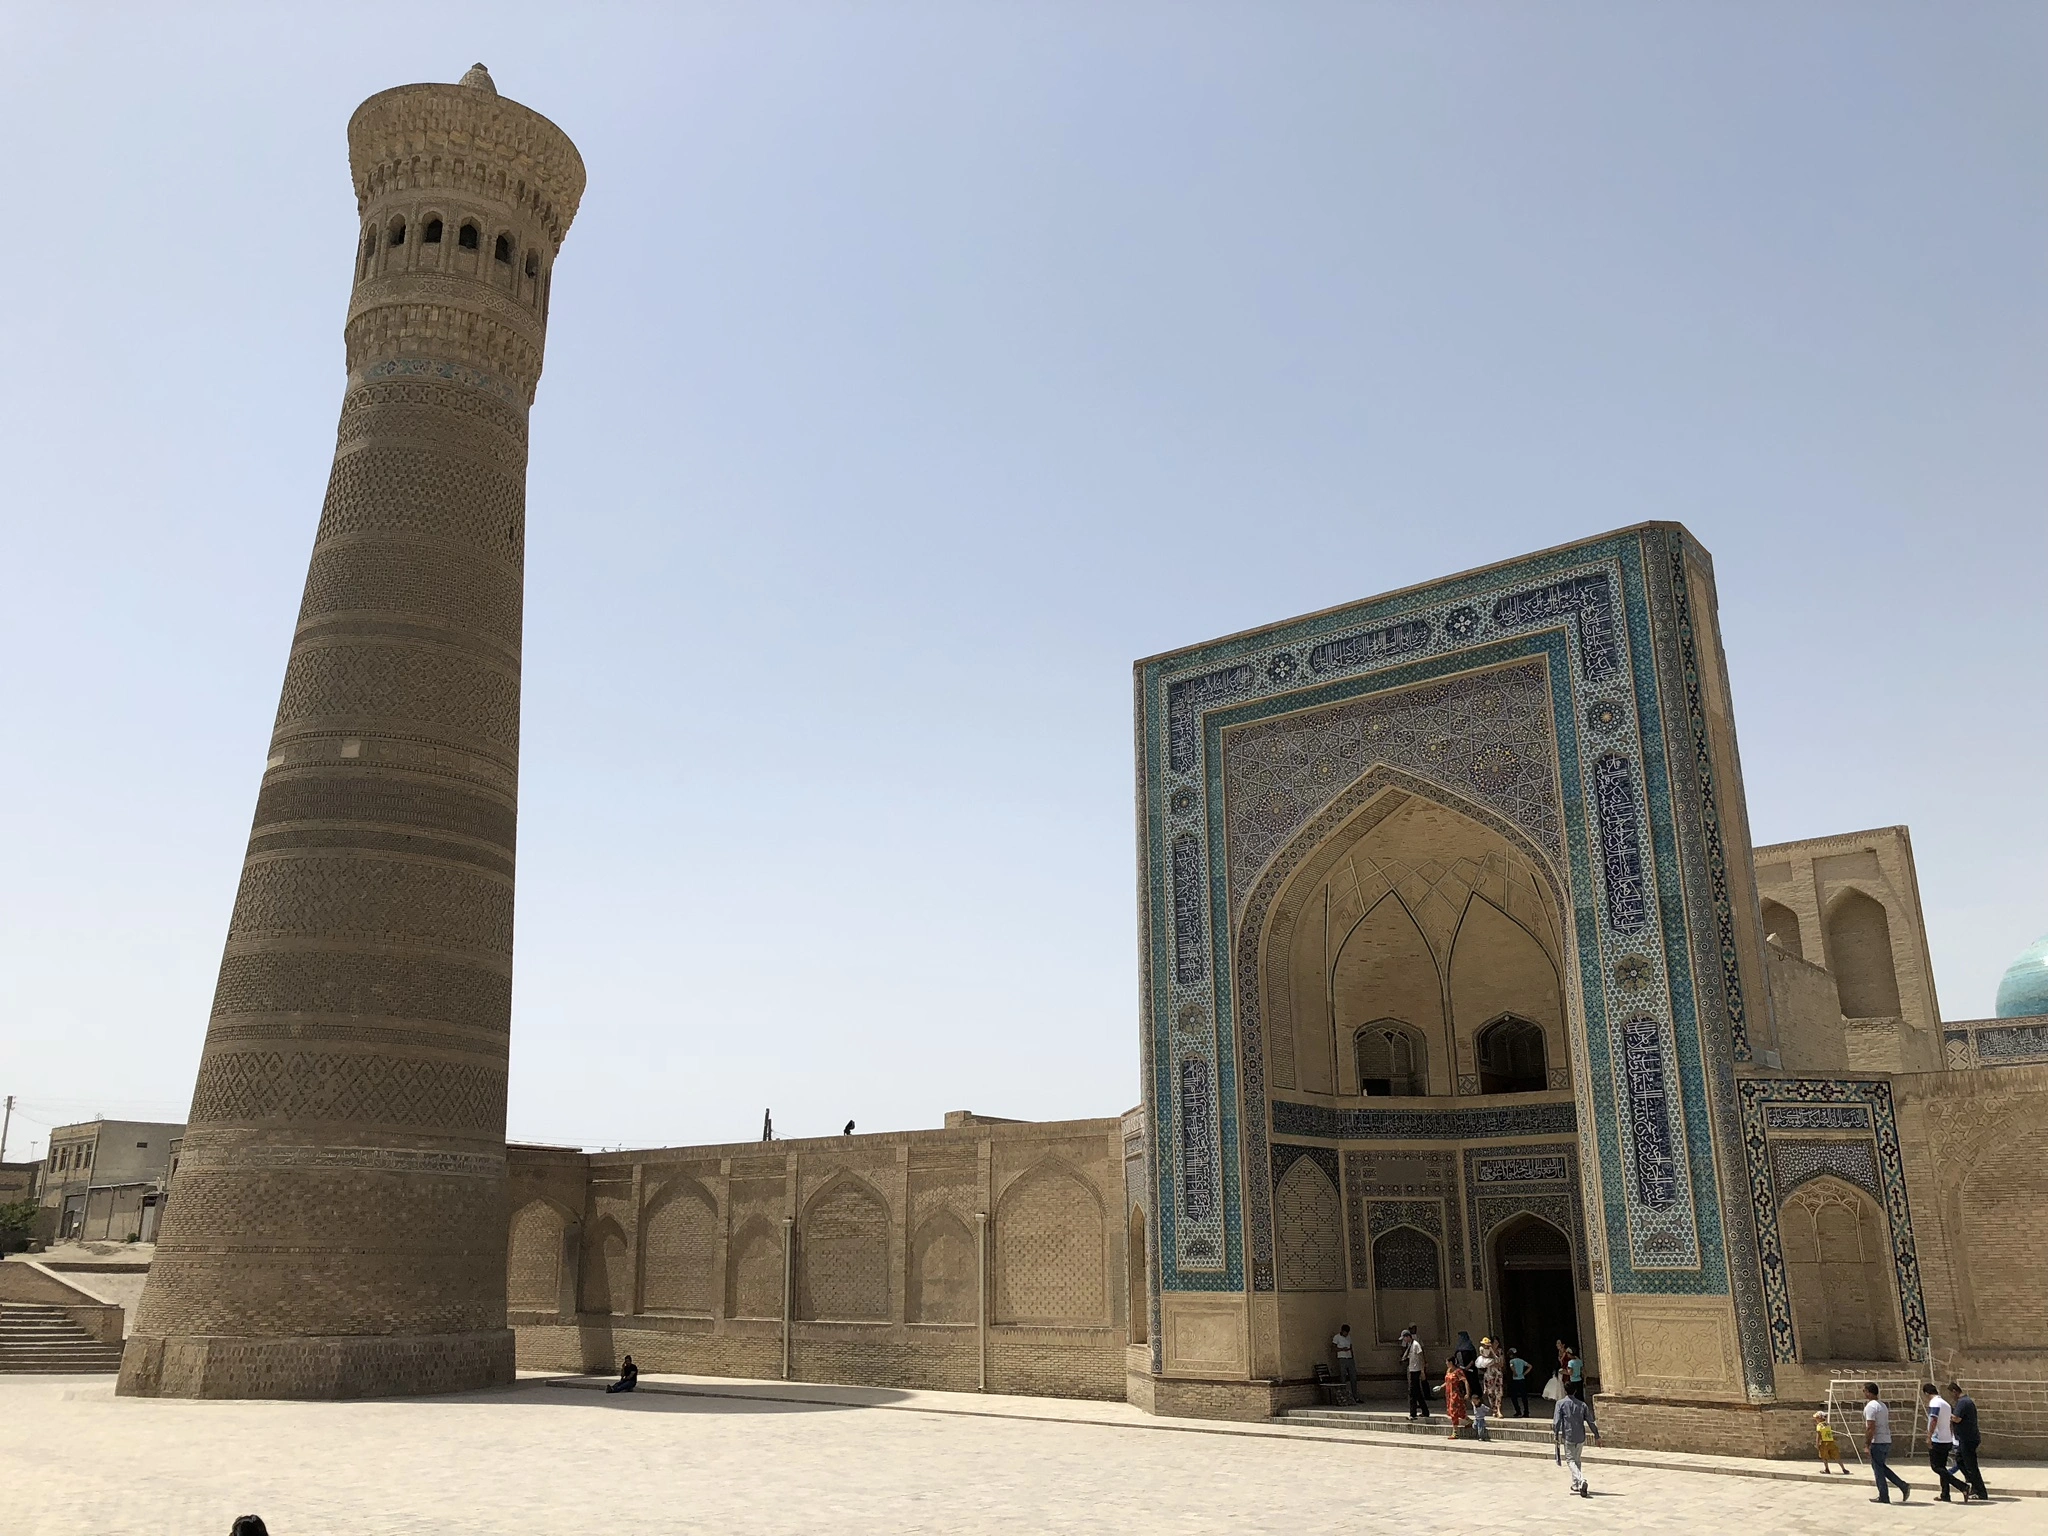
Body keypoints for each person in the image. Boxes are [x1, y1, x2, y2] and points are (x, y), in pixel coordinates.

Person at [1863, 1382, 1912, 1504]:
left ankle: (1885, 1495)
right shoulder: (1882, 1406)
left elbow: (1870, 1427)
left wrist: (1867, 1444)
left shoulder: (1871, 1406)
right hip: (1886, 1440)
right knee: (1880, 1467)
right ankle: (1902, 1485)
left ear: (1868, 1392)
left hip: (1878, 1441)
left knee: (1878, 1470)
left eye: (1864, 1391)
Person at [1553, 1386, 1601, 1496]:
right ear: (1575, 1391)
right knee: (1577, 1460)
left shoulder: (1560, 1404)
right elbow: (1590, 1421)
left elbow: (1557, 1421)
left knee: (1570, 1460)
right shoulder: (1582, 1405)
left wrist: (1556, 1434)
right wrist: (1597, 1435)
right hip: (1580, 1436)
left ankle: (1581, 1480)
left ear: (1565, 1391)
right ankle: (1576, 1484)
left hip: (1569, 1436)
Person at [1923, 1384, 1967, 1502]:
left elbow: (1934, 1420)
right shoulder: (1946, 1404)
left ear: (1926, 1393)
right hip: (1946, 1439)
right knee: (1942, 1468)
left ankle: (1962, 1486)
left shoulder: (1934, 1403)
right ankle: (1945, 1494)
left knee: (1936, 1467)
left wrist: (1929, 1436)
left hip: (1938, 1439)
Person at [1948, 1381, 1988, 1502]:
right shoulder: (1965, 1401)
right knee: (1960, 1460)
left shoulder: (1963, 1402)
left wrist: (1946, 1414)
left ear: (1954, 1391)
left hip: (1968, 1438)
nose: (1951, 1397)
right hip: (1965, 1438)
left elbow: (1957, 1419)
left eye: (1951, 1394)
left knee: (1971, 1466)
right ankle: (1972, 1483)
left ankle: (1981, 1491)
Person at [1442, 1352, 1472, 1439]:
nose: (1446, 1364)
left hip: (1455, 1395)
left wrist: (1467, 1393)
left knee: (1454, 1412)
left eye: (1447, 1362)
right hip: (1449, 1394)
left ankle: (1455, 1432)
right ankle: (1470, 1421)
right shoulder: (1448, 1371)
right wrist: (1441, 1386)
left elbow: (1465, 1381)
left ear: (1451, 1362)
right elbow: (1447, 1382)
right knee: (1459, 1412)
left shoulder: (1458, 1371)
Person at [1406, 1328, 1429, 1420]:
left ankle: (1413, 1413)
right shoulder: (1410, 1345)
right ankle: (1425, 1411)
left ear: (1408, 1337)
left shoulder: (1416, 1344)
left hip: (1416, 1371)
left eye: (1404, 1338)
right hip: (1412, 1370)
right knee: (1417, 1392)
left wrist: (1422, 1371)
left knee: (1412, 1393)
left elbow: (1421, 1357)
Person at [1331, 1324, 1358, 1402]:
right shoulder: (1337, 1337)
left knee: (1353, 1377)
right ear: (1342, 1331)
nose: (1346, 1334)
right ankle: (1343, 1396)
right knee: (1343, 1377)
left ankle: (1355, 1396)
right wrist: (1342, 1349)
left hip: (1349, 1358)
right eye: (1345, 1332)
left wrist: (1352, 1356)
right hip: (1342, 1358)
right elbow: (1333, 1348)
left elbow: (1351, 1347)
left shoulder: (1349, 1337)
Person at [1480, 1336, 1505, 1418]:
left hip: (1497, 1373)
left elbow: (1501, 1363)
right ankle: (1494, 1409)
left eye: (1497, 1343)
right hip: (1489, 1374)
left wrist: (1494, 1364)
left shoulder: (1499, 1351)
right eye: (1495, 1343)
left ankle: (1499, 1410)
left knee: (1498, 1393)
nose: (1496, 1344)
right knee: (1491, 1393)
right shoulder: (1486, 1351)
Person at [1507, 1345, 1533, 1417]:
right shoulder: (1521, 1361)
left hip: (1515, 1380)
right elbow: (1530, 1366)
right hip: (1522, 1379)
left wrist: (1514, 1372)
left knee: (1514, 1396)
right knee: (1524, 1396)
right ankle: (1526, 1412)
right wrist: (1524, 1373)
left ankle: (1518, 1411)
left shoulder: (1511, 1361)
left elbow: (1511, 1366)